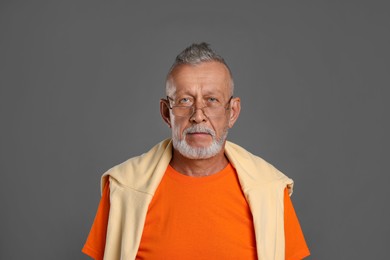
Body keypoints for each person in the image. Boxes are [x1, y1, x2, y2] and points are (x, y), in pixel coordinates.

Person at [82, 42, 310, 260]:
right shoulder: (123, 188)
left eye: (211, 100)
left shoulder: (269, 189)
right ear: (166, 113)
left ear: (232, 112)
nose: (198, 115)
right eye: (184, 100)